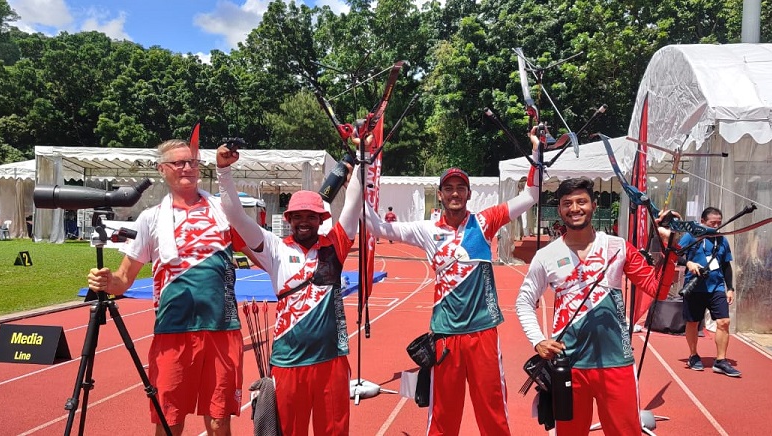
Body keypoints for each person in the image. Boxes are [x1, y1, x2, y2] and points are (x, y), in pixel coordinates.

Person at [363, 128, 543, 435]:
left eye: (461, 187)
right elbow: (376, 227)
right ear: (441, 194)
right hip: (445, 337)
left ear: (469, 194)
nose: (455, 193)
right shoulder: (426, 229)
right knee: (443, 418)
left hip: (484, 335)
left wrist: (537, 154)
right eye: (449, 188)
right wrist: (365, 168)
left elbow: (531, 195)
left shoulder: (485, 222)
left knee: (493, 413)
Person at [86, 139, 244, 436]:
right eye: (178, 163)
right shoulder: (151, 218)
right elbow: (124, 278)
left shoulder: (223, 208)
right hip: (173, 331)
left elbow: (257, 242)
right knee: (168, 420)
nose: (187, 168)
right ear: (162, 170)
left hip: (222, 330)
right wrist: (106, 282)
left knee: (219, 420)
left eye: (193, 163)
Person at [216, 139, 363, 435]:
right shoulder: (274, 249)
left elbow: (354, 203)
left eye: (311, 216)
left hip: (331, 361)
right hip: (288, 362)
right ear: (290, 220)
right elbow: (236, 216)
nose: (305, 222)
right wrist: (223, 172)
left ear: (320, 219)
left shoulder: (334, 244)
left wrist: (361, 156)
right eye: (298, 217)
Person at [515, 177, 679, 435]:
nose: (574, 208)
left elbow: (656, 288)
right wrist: (537, 340)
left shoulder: (618, 246)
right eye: (567, 203)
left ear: (593, 205)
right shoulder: (546, 256)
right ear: (560, 210)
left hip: (616, 362)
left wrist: (670, 249)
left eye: (581, 201)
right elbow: (524, 301)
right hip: (568, 363)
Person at [679, 207, 740, 377]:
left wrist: (730, 288)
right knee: (692, 322)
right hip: (694, 287)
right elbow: (674, 254)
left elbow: (726, 265)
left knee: (724, 321)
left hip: (716, 287)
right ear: (703, 221)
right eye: (713, 222)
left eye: (719, 222)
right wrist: (688, 263)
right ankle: (693, 355)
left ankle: (721, 360)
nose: (716, 225)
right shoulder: (691, 236)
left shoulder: (721, 240)